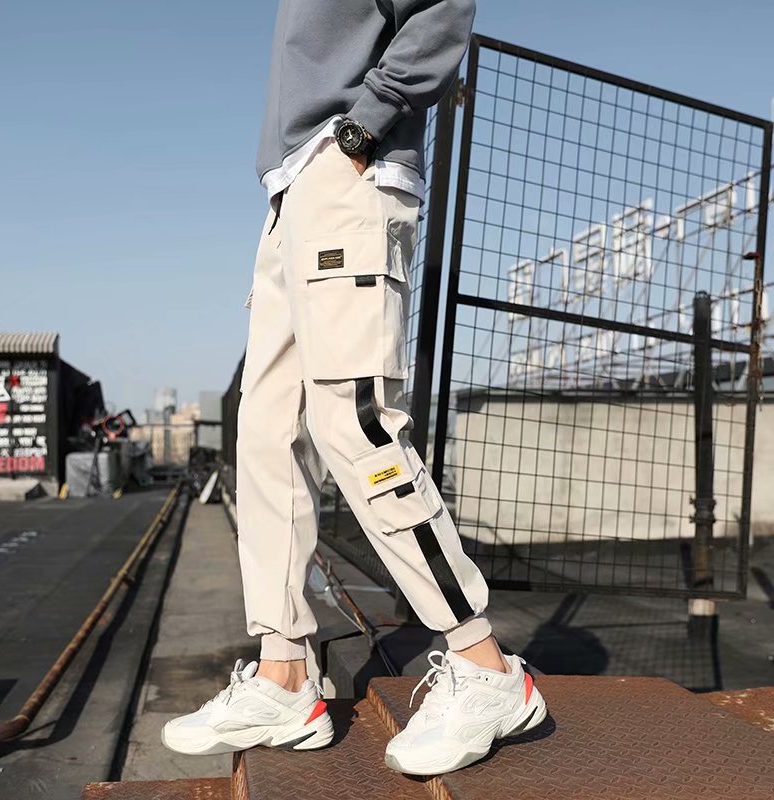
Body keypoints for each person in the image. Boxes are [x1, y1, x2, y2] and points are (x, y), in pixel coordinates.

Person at [161, 0, 547, 775]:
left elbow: (443, 11)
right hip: (292, 191)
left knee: (356, 422)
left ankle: (485, 666)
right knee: (266, 433)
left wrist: (362, 128)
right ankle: (284, 676)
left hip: (347, 170)